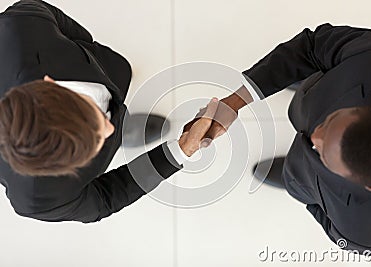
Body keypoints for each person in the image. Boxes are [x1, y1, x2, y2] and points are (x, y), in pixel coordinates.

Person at [185, 23, 371, 253]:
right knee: (312, 67)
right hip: (318, 93)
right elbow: (311, 47)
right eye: (330, 122)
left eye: (324, 156)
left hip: (308, 183)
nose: (314, 136)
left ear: (369, 185)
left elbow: (323, 217)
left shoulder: (368, 233)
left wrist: (304, 186)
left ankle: (293, 177)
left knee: (295, 182)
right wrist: (235, 102)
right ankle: (315, 76)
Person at [0, 0, 216, 222]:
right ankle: (126, 132)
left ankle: (123, 124)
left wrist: (85, 43)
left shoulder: (21, 28)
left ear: (50, 84)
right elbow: (106, 198)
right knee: (118, 131)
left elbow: (48, 14)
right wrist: (179, 151)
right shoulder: (38, 198)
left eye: (96, 114)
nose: (108, 128)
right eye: (93, 143)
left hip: (101, 69)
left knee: (119, 96)